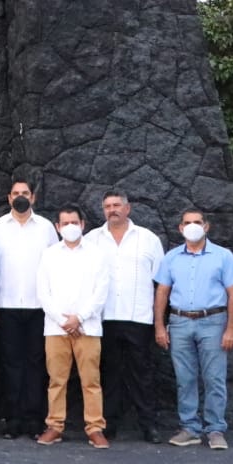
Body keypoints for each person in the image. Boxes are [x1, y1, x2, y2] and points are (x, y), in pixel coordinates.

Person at [154, 209, 233, 450]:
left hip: (213, 321)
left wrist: (231, 328)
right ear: (180, 228)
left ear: (206, 227)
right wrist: (160, 326)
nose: (192, 226)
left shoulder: (223, 256)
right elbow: (162, 292)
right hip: (180, 322)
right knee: (185, 378)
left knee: (214, 378)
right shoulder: (171, 258)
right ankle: (190, 428)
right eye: (187, 223)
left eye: (197, 222)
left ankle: (215, 429)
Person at [86, 189, 165, 443]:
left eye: (117, 205)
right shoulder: (92, 240)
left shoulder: (148, 239)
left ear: (127, 208)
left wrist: (159, 322)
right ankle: (108, 425)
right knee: (108, 374)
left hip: (138, 318)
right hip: (104, 318)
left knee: (142, 374)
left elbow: (160, 283)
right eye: (108, 206)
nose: (112, 210)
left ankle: (149, 425)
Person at [0, 179, 58, 439]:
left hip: (39, 306)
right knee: (10, 364)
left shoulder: (46, 228)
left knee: (36, 364)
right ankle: (12, 420)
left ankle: (34, 420)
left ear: (33, 197)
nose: (20, 197)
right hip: (6, 305)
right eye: (16, 193)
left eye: (25, 193)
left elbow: (55, 265)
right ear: (8, 198)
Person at [35, 205, 111, 448]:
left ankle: (95, 428)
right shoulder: (48, 255)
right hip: (56, 329)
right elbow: (43, 292)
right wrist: (63, 320)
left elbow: (101, 292)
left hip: (87, 328)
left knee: (91, 381)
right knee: (57, 380)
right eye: (65, 223)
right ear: (57, 228)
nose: (70, 227)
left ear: (82, 224)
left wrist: (79, 317)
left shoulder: (97, 254)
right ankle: (54, 426)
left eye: (74, 222)